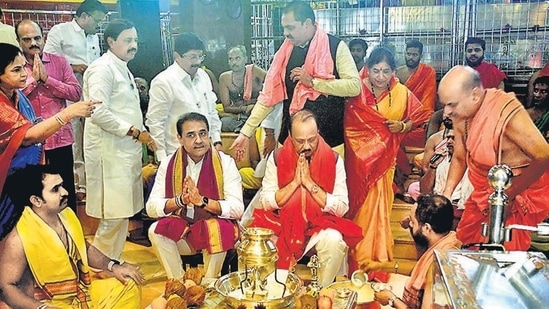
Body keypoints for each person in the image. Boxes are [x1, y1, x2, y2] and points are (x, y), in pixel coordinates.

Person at [230, 0, 360, 159]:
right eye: (284, 27)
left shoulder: (336, 46)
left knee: (325, 184)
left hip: (329, 139)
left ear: (307, 23)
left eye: (290, 27)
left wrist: (314, 83)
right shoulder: (285, 52)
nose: (285, 33)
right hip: (291, 139)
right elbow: (268, 97)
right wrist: (245, 133)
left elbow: (354, 87)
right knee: (287, 183)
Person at [0, 164, 143, 308]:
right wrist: (41, 308)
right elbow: (6, 287)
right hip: (50, 304)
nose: (65, 192)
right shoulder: (18, 239)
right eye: (55, 189)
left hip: (79, 295)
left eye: (62, 185)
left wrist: (113, 266)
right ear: (36, 200)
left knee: (128, 284)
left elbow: (83, 248)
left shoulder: (66, 215)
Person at [439, 65, 549, 251]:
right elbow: (459, 157)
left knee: (503, 257)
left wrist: (508, 195)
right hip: (484, 193)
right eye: (445, 104)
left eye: (452, 104)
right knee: (468, 244)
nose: (446, 112)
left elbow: (544, 156)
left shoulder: (505, 112)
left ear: (474, 95)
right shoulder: (462, 114)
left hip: (516, 194)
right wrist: (446, 195)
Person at [250, 110, 363, 287]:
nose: (307, 146)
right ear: (290, 136)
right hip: (282, 224)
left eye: (312, 139)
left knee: (334, 241)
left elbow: (342, 207)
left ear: (318, 133)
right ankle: (275, 295)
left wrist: (310, 184)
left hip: (319, 225)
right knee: (256, 244)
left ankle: (320, 292)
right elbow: (266, 201)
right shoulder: (277, 157)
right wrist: (295, 183)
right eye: (300, 141)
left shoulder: (334, 160)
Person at [344, 46, 430, 270]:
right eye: (375, 71)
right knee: (360, 208)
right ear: (367, 69)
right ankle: (357, 257)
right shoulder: (356, 90)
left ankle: (377, 259)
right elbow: (350, 127)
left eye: (385, 71)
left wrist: (402, 126)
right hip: (358, 161)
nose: (380, 77)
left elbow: (420, 116)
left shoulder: (401, 92)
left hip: (386, 161)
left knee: (380, 207)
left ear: (393, 72)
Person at [0, 42, 96, 240]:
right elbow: (28, 136)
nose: (24, 74)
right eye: (16, 70)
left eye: (23, 68)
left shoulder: (16, 94)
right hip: (7, 177)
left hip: (23, 172)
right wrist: (68, 113)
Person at [83, 19, 157, 259]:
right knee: (113, 213)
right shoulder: (102, 68)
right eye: (128, 40)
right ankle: (101, 264)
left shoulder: (121, 66)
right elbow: (97, 111)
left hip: (124, 150)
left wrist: (144, 135)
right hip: (110, 152)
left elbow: (129, 110)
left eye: (135, 40)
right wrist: (135, 132)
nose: (133, 45)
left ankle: (112, 261)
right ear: (111, 42)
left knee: (122, 212)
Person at [147, 112, 244, 279]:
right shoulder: (168, 164)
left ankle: (209, 284)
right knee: (155, 231)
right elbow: (151, 208)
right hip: (184, 232)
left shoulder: (225, 163)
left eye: (203, 133)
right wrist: (180, 201)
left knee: (218, 229)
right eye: (191, 135)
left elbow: (237, 209)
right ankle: (179, 284)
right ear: (180, 138)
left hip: (215, 231)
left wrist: (203, 202)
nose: (199, 140)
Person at [44, 0, 108, 201]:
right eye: (96, 20)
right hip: (66, 96)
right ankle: (76, 185)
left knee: (89, 138)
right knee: (73, 141)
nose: (98, 25)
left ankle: (90, 184)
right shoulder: (60, 31)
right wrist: (74, 67)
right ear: (85, 16)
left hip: (89, 94)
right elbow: (48, 61)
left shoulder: (94, 38)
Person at [16, 19, 82, 211]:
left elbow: (75, 93)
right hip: (31, 142)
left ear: (44, 37)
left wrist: (47, 79)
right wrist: (34, 81)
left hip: (60, 138)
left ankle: (70, 235)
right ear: (19, 42)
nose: (33, 43)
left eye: (37, 38)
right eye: (27, 39)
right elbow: (14, 97)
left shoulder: (59, 62)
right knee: (34, 191)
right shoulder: (15, 67)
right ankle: (42, 237)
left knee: (65, 188)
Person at [372, 194, 461, 309]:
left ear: (427, 228)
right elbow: (421, 257)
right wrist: (384, 267)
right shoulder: (451, 239)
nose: (409, 224)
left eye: (413, 222)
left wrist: (392, 299)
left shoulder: (438, 265)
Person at [146, 32, 222, 163]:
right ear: (177, 57)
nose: (197, 62)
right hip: (177, 154)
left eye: (200, 56)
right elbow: (156, 123)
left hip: (206, 152)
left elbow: (212, 112)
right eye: (192, 57)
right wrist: (162, 159)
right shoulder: (164, 81)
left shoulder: (203, 76)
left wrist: (216, 140)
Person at [394, 40, 437, 197]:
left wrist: (409, 124)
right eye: (408, 54)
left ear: (420, 55)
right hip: (397, 121)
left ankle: (402, 180)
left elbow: (426, 106)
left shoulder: (428, 72)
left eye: (415, 54)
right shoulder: (397, 73)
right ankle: (398, 182)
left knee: (396, 141)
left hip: (418, 125)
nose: (411, 57)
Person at [218, 45, 267, 133]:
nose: (234, 62)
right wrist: (245, 109)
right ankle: (244, 128)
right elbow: (226, 107)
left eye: (237, 58)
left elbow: (273, 84)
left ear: (245, 59)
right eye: (231, 59)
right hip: (238, 116)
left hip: (258, 112)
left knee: (267, 121)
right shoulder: (224, 78)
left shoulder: (255, 71)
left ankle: (244, 128)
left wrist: (255, 107)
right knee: (223, 123)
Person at [526, 76, 549, 141]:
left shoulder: (547, 115)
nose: (537, 95)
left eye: (543, 92)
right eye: (536, 91)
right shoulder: (526, 113)